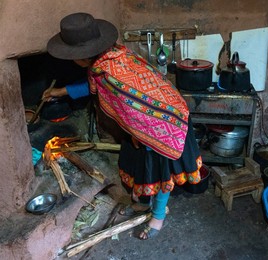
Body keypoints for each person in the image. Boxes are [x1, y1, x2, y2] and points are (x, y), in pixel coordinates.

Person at [44, 12, 202, 240]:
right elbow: (93, 89)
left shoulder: (108, 73)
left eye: (72, 56)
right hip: (145, 126)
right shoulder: (113, 56)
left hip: (162, 126)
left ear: (83, 57)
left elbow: (133, 107)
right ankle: (140, 203)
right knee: (138, 167)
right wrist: (59, 91)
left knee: (158, 173)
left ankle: (157, 218)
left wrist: (144, 136)